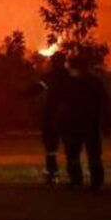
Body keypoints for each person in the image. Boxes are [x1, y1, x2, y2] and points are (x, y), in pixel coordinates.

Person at [61, 53, 110, 190]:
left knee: (75, 153)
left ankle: (78, 180)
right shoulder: (94, 81)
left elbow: (65, 104)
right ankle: (95, 182)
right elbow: (104, 103)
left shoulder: (72, 82)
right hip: (87, 122)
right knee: (90, 153)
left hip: (79, 123)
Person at [22, 51, 71, 184]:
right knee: (64, 145)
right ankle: (70, 175)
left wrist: (22, 93)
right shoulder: (69, 76)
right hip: (66, 113)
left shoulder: (52, 76)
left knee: (51, 144)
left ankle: (52, 172)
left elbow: (38, 87)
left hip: (54, 112)